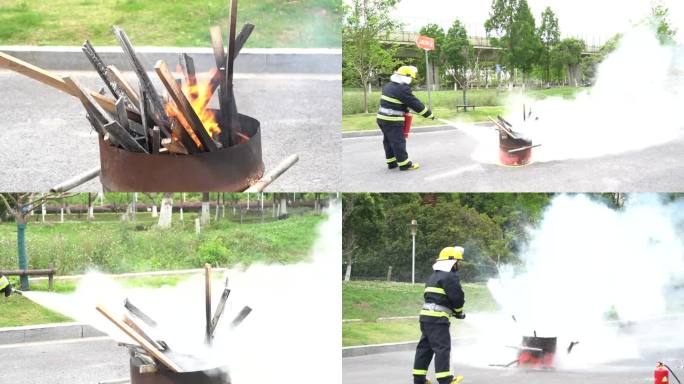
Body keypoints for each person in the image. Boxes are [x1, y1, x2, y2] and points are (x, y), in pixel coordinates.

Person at [412, 246, 466, 384]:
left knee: (425, 348)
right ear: (452, 262)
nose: (459, 264)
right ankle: (446, 380)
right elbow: (457, 297)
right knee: (442, 348)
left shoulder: (434, 276)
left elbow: (434, 296)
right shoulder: (450, 276)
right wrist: (459, 312)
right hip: (438, 319)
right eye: (458, 261)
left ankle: (419, 379)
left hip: (425, 318)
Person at [376, 65, 436, 171]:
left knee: (388, 141)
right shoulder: (402, 88)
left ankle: (392, 162)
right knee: (398, 142)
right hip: (392, 121)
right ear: (406, 76)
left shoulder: (389, 86)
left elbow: (395, 102)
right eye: (411, 78)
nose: (411, 80)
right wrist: (429, 115)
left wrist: (405, 110)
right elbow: (415, 103)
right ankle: (404, 164)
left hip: (381, 119)